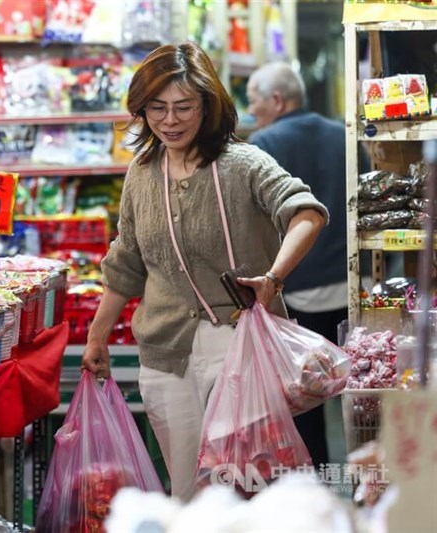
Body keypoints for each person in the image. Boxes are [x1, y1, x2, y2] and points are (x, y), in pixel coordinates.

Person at [81, 42, 328, 501]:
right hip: (164, 352)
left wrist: (272, 278)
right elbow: (126, 260)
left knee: (246, 486)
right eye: (156, 108)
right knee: (185, 490)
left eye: (183, 107)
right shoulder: (141, 172)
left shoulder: (243, 164)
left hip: (239, 345)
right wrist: (98, 336)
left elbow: (306, 213)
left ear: (207, 105)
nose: (169, 120)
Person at [247, 62, 351, 469]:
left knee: (304, 398)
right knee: (355, 393)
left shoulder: (263, 145)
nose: (251, 110)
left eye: (255, 101)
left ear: (276, 100)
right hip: (347, 285)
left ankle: (315, 487)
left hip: (295, 291)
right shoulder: (344, 135)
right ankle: (365, 482)